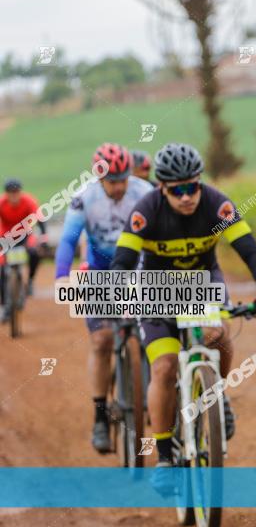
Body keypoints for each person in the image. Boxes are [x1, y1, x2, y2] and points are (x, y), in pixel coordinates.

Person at [110, 142, 256, 495]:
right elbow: (123, 260)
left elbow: (249, 250)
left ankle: (217, 392)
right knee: (165, 367)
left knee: (217, 336)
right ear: (162, 188)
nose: (187, 196)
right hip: (157, 289)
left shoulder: (218, 204)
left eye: (193, 187)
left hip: (203, 282)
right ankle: (166, 458)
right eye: (178, 190)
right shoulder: (146, 211)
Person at [55, 143, 154, 453]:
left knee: (156, 332)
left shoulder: (144, 191)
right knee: (102, 342)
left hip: (140, 270)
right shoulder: (84, 197)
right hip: (100, 273)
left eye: (123, 179)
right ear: (99, 178)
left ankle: (157, 397)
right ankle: (100, 416)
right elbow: (69, 239)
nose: (119, 187)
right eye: (112, 181)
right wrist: (61, 275)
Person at [0, 178, 48, 305]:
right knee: (2, 269)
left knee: (34, 253)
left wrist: (44, 238)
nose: (14, 195)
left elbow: (40, 219)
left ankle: (30, 281)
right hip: (5, 237)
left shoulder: (29, 201)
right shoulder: (1, 202)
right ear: (6, 193)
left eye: (16, 192)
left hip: (25, 236)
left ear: (20, 192)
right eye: (11, 192)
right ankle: (4, 303)